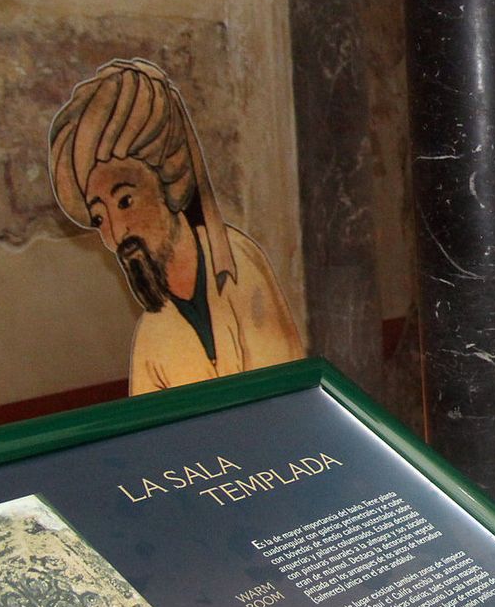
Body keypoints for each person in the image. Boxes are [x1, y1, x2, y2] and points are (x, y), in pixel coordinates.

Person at [49, 57, 304, 393]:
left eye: (125, 202)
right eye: (99, 219)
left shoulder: (239, 267)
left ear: (168, 183)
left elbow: (282, 399)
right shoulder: (150, 340)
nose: (116, 234)